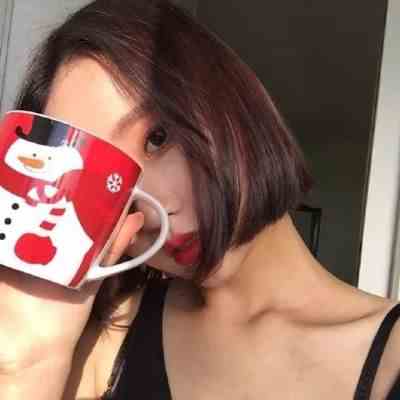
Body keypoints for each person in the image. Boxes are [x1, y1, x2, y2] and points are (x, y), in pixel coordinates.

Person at [0, 1, 399, 399]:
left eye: (157, 139)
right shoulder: (101, 344)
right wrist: (28, 363)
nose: (151, 212)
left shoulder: (390, 360)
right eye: (108, 182)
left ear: (233, 102)